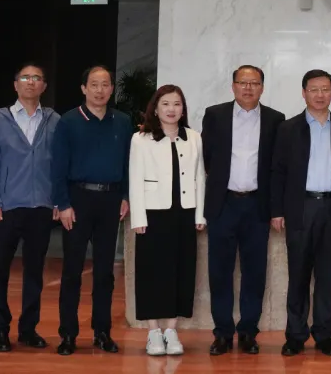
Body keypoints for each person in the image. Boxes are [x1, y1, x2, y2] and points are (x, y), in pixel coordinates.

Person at [202, 65, 285, 356]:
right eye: (243, 82)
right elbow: (207, 158)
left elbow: (276, 166)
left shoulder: (275, 119)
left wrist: (276, 208)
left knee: (254, 272)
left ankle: (248, 331)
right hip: (223, 204)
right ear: (233, 86)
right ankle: (223, 333)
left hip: (257, 205)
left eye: (254, 83)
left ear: (262, 87)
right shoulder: (215, 115)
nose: (248, 88)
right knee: (219, 272)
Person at [51, 65, 133, 355]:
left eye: (105, 84)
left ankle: (102, 332)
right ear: (84, 88)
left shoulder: (122, 121)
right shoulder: (69, 121)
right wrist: (62, 204)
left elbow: (128, 163)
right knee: (72, 270)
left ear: (112, 89)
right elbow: (57, 166)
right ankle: (68, 334)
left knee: (104, 272)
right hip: (78, 200)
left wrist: (125, 196)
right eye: (94, 84)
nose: (100, 90)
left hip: (111, 201)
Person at [271, 69, 331, 357]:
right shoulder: (288, 128)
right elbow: (277, 172)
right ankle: (295, 335)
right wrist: (277, 210)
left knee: (327, 276)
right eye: (314, 89)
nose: (320, 95)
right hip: (300, 208)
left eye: (325, 89)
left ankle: (324, 335)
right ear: (304, 93)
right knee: (298, 274)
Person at [0, 63, 60, 352]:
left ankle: (28, 329)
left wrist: (57, 199)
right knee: (0, 271)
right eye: (25, 77)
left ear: (44, 86)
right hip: (6, 207)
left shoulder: (53, 120)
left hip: (41, 207)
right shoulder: (0, 119)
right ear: (16, 85)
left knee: (35, 272)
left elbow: (60, 165)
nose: (31, 82)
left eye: (37, 78)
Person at [130, 85, 206, 356]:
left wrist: (199, 214)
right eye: (165, 104)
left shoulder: (193, 137)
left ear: (183, 109)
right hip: (153, 214)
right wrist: (138, 216)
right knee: (152, 271)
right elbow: (135, 178)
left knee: (181, 270)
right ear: (155, 108)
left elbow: (200, 177)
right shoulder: (141, 138)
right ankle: (153, 331)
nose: (171, 109)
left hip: (184, 212)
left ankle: (172, 330)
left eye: (176, 104)